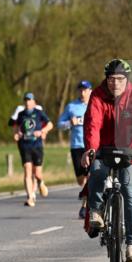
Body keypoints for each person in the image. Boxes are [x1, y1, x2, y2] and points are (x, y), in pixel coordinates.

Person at [82, 59, 132, 262]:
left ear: (127, 80)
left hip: (130, 148)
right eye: (111, 79)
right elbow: (92, 124)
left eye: (120, 79)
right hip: (103, 147)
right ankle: (96, 211)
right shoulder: (97, 95)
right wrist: (91, 149)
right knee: (96, 170)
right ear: (106, 79)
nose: (115, 83)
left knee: (130, 192)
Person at [10, 93, 53, 207]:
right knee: (27, 170)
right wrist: (16, 134)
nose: (27, 102)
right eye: (26, 100)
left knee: (37, 173)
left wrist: (43, 131)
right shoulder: (21, 114)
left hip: (37, 145)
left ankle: (40, 182)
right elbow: (15, 126)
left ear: (34, 102)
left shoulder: (39, 113)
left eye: (30, 100)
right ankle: (30, 197)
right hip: (25, 145)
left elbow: (50, 124)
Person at [58, 80, 93, 218]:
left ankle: (85, 206)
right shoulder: (71, 106)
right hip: (76, 146)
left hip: (90, 145)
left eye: (85, 89)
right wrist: (69, 123)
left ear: (90, 90)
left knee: (90, 175)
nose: (82, 92)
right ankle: (87, 198)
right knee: (81, 179)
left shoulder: (95, 104)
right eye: (80, 89)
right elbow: (59, 124)